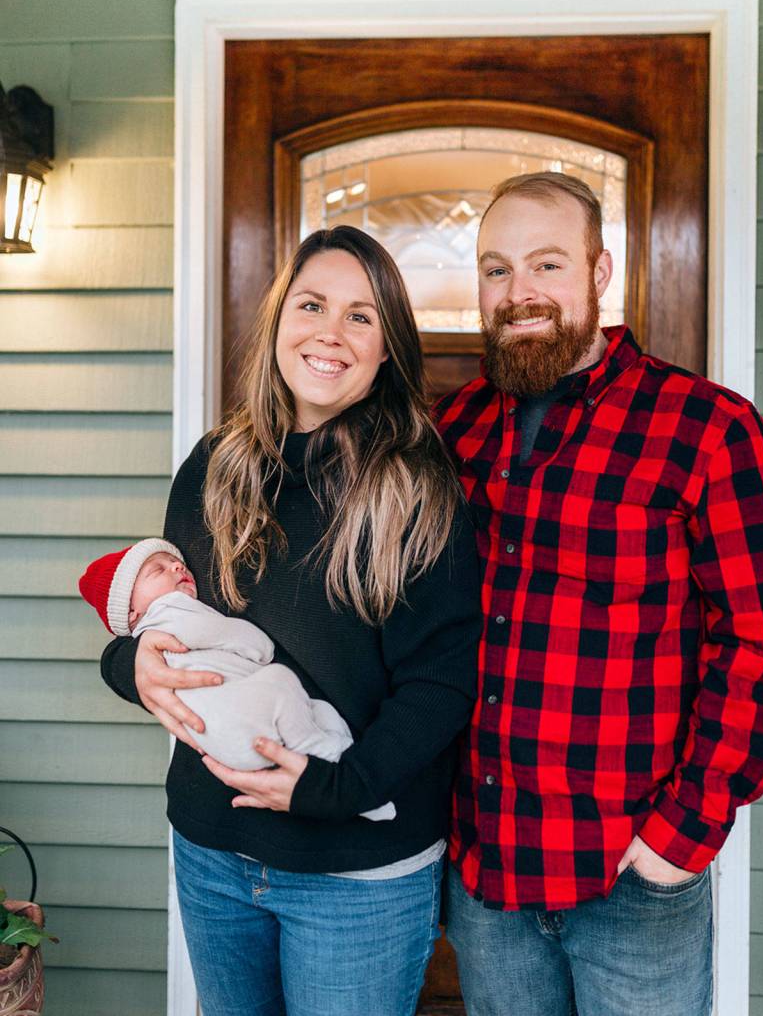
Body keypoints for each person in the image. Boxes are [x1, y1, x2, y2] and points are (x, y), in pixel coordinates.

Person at [435, 172, 763, 1016]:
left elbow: (760, 650)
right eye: (496, 270)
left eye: (546, 265)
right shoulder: (450, 429)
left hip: (630, 877)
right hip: (486, 872)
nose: (518, 292)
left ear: (600, 273)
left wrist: (679, 836)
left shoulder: (706, 428)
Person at [99, 226, 481, 1016]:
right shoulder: (214, 465)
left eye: (360, 317)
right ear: (279, 320)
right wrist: (126, 665)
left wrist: (336, 788)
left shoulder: (418, 491)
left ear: (387, 351)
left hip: (357, 870)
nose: (329, 334)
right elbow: (169, 616)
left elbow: (441, 682)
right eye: (311, 305)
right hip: (214, 849)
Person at [79, 537, 394, 820]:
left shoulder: (165, 622)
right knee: (280, 680)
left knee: (318, 711)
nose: (177, 565)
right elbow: (227, 636)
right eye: (157, 570)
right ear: (132, 612)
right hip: (239, 727)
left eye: (176, 562)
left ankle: (339, 761)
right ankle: (318, 755)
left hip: (229, 740)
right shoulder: (169, 613)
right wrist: (257, 645)